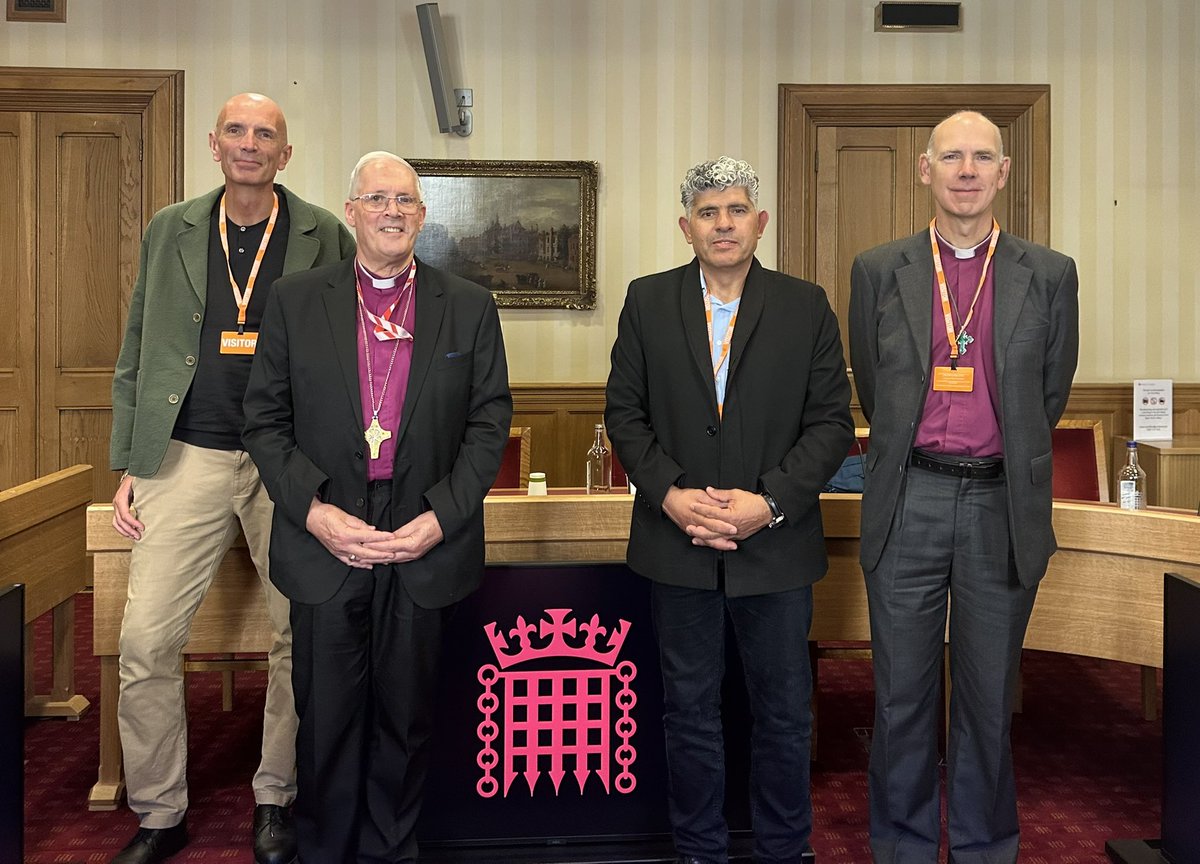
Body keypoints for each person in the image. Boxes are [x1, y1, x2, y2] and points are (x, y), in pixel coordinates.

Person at [241, 151, 512, 862]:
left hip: (422, 532)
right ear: (351, 211)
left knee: (407, 717)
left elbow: (489, 424)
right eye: (377, 199)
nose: (392, 211)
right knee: (326, 717)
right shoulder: (296, 300)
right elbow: (263, 423)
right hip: (328, 529)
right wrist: (315, 513)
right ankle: (326, 849)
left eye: (405, 200)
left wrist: (442, 518)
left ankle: (392, 851)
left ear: (422, 215)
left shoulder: (469, 306)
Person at [108, 93, 355, 864]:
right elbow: (139, 343)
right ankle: (159, 812)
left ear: (285, 154)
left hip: (289, 460)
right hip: (186, 452)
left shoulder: (324, 233)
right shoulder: (169, 228)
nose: (251, 143)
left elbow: (351, 352)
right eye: (237, 131)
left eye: (266, 134)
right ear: (214, 145)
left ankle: (276, 796)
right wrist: (131, 461)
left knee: (296, 636)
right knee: (145, 638)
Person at [605, 156, 854, 864]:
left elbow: (831, 424)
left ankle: (785, 850)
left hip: (775, 549)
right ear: (686, 227)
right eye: (708, 212)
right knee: (688, 716)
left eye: (736, 210)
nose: (723, 224)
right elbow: (625, 414)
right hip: (677, 545)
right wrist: (672, 495)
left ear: (760, 222)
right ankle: (699, 852)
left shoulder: (805, 305)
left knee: (784, 716)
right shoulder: (648, 301)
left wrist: (768, 502)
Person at [848, 110, 1079, 864]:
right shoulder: (879, 269)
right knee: (900, 699)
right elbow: (875, 387)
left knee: (987, 699)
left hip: (999, 504)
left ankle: (983, 849)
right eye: (952, 157)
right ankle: (903, 847)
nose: (968, 171)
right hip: (908, 499)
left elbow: (1048, 395)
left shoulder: (1050, 274)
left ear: (1003, 173)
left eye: (983, 157)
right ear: (926, 170)